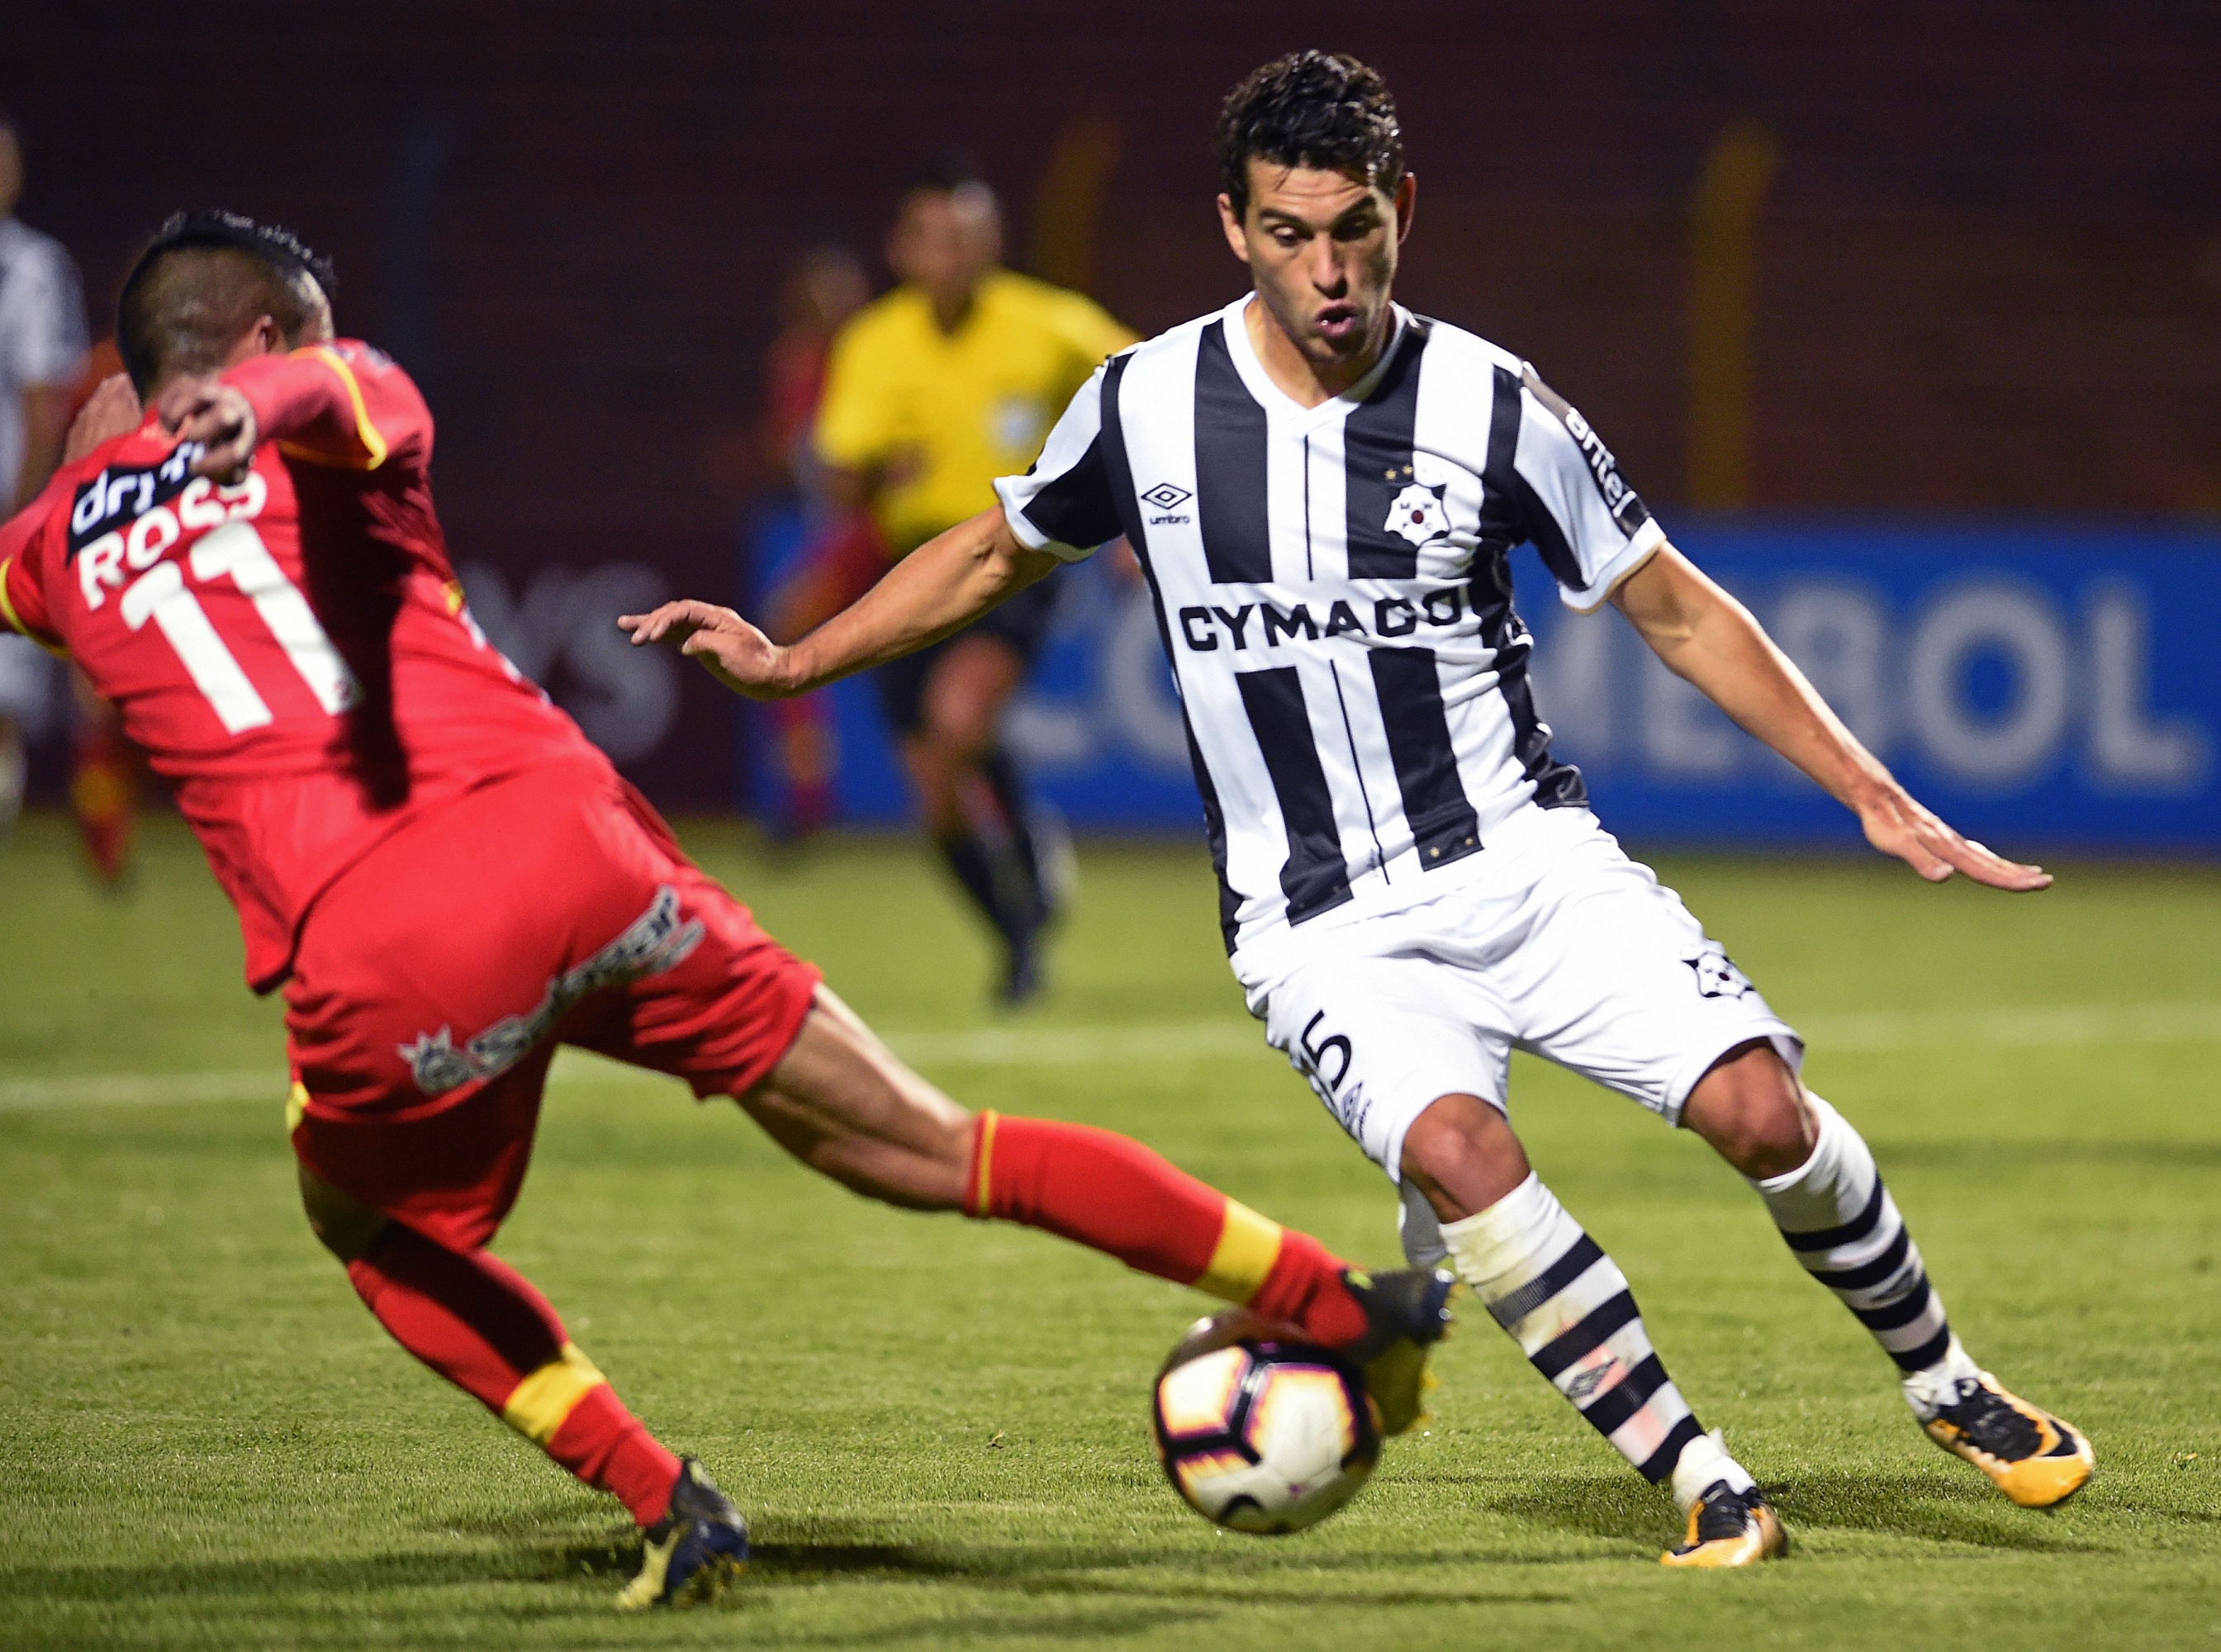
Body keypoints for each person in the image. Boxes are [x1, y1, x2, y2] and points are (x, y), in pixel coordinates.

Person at [622, 51, 2094, 1569]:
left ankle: (1945, 1382)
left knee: (1759, 1111)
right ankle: (1702, 1479)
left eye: (1353, 232)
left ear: (1402, 210)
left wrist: (1869, 794)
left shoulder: (1491, 405)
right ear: (1231, 226)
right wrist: (793, 660)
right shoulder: (1143, 403)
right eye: (1287, 233)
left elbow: (1672, 607)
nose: (1325, 272)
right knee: (1460, 1156)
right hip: (1317, 924)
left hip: (1524, 861)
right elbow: (998, 549)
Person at [0, 211, 1453, 1609]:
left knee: (369, 1222)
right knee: (930, 1144)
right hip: (581, 851)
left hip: (387, 949)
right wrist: (258, 402)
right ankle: (1338, 1299)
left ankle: (662, 1498)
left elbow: (67, 543)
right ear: (262, 337)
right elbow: (333, 387)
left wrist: (101, 467)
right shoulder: (347, 393)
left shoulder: (57, 540)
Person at [812, 156, 1136, 1002]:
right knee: (934, 797)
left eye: (968, 234)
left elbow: (1148, 388)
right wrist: (870, 473)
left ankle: (1028, 856)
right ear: (901, 248)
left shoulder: (1049, 323)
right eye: (934, 236)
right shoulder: (872, 343)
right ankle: (1017, 934)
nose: (952, 252)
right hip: (908, 563)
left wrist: (1138, 516)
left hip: (1011, 554)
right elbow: (841, 474)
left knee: (960, 718)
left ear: (993, 241)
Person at [0, 106, 89, 833]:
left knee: (3, 699)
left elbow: (44, 402)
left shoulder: (31, 270)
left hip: (2, 503)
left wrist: (22, 511)